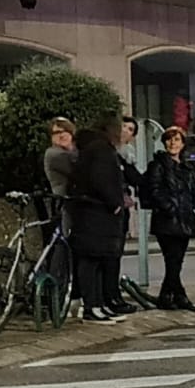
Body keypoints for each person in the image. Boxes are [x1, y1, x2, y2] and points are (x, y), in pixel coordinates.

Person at [66, 117, 129, 325]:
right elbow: (101, 179)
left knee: (95, 262)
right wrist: (115, 202)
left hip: (90, 213)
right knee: (92, 262)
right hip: (96, 214)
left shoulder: (92, 149)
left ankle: (97, 305)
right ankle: (92, 307)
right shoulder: (101, 150)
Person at [142, 126, 195, 312]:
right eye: (169, 139)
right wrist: (170, 208)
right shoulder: (158, 165)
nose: (173, 143)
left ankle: (166, 296)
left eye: (176, 139)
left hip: (185, 219)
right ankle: (180, 296)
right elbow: (154, 191)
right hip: (167, 220)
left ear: (183, 143)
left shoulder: (187, 167)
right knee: (173, 260)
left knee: (176, 261)